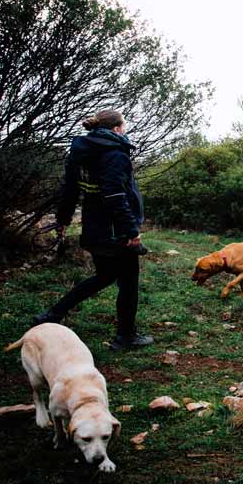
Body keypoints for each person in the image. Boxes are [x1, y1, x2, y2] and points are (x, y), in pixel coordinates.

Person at [31, 110, 153, 350]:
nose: (125, 129)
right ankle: (126, 336)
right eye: (124, 125)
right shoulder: (115, 153)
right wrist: (131, 230)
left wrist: (63, 218)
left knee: (105, 276)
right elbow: (115, 195)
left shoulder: (79, 152)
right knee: (128, 281)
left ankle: (52, 315)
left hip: (94, 226)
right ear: (117, 129)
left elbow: (70, 189)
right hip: (115, 229)